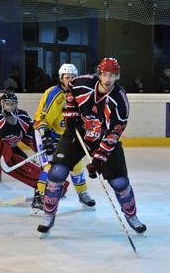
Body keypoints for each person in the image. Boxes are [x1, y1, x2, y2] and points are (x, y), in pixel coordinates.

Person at [37, 57, 147, 236]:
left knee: (119, 182)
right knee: (57, 172)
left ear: (117, 76)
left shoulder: (120, 100)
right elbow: (70, 90)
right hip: (77, 133)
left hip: (102, 140)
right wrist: (71, 112)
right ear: (99, 73)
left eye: (112, 75)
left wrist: (98, 160)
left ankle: (132, 216)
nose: (108, 79)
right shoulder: (83, 82)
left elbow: (114, 133)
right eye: (104, 74)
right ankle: (49, 216)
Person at [32, 63, 96, 214]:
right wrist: (46, 138)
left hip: (67, 136)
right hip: (47, 135)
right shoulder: (54, 94)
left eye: (73, 77)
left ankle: (82, 194)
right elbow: (40, 120)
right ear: (61, 78)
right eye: (67, 77)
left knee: (77, 166)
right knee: (50, 167)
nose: (70, 80)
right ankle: (39, 197)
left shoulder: (79, 94)